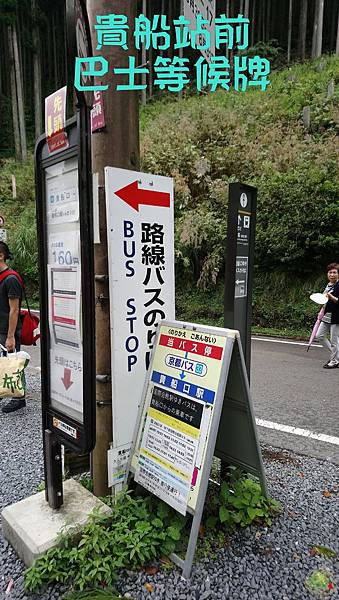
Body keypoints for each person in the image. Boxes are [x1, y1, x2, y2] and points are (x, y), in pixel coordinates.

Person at [0, 241, 25, 412]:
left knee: (13, 361)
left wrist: (10, 336)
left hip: (6, 330)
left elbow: (14, 310)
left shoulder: (11, 279)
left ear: (1, 256)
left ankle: (19, 398)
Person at [315, 263, 339, 369]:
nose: (332, 274)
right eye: (330, 272)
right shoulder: (328, 285)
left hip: (337, 315)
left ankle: (334, 361)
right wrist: (321, 310)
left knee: (334, 340)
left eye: (334, 272)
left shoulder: (338, 285)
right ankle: (337, 356)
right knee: (319, 336)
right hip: (327, 314)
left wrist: (330, 295)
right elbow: (325, 301)